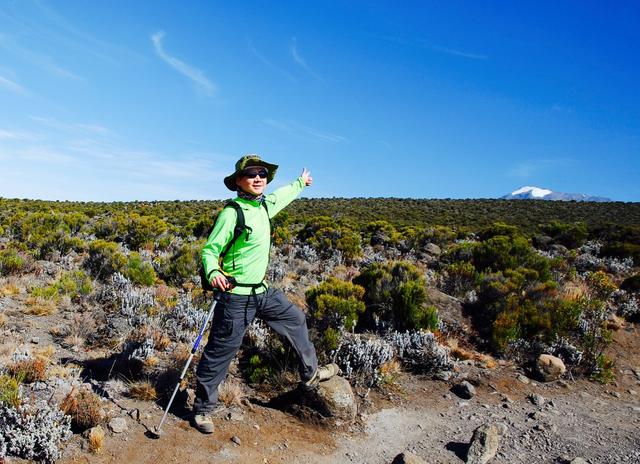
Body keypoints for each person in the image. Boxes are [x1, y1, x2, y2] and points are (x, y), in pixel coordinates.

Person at [192, 154, 340, 434]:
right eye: (251, 174)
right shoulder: (231, 213)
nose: (258, 178)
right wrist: (213, 273)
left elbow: (282, 196)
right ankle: (202, 409)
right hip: (235, 296)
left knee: (295, 319)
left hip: (261, 291)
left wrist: (300, 183)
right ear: (239, 181)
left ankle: (310, 374)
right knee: (221, 351)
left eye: (262, 174)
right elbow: (210, 250)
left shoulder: (264, 207)